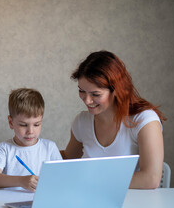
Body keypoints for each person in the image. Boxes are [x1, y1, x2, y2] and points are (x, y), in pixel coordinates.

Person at [62, 50, 166, 189]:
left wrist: (93, 180)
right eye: (81, 91)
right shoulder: (82, 121)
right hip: (91, 201)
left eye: (95, 94)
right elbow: (67, 159)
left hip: (133, 205)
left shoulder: (144, 120)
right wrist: (35, 150)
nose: (87, 100)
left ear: (117, 90)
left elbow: (150, 179)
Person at [0, 88, 62, 191]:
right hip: (9, 204)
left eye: (36, 124)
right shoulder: (4, 148)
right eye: (23, 125)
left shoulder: (50, 147)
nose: (30, 131)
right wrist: (21, 181)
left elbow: (61, 178)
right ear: (11, 122)